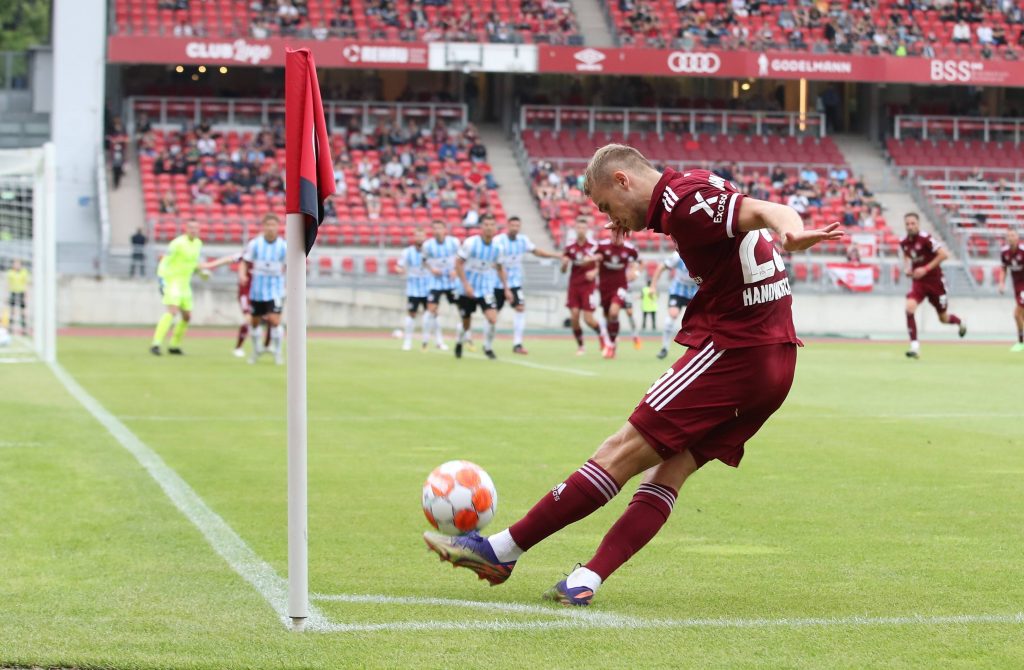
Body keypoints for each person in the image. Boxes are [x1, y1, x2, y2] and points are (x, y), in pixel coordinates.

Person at [423, 144, 842, 606]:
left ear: (623, 180)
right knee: (672, 470)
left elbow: (767, 209)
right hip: (778, 361)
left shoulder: (683, 204)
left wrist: (793, 232)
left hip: (735, 351)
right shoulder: (689, 188)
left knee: (619, 451)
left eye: (607, 205)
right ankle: (586, 579)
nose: (609, 217)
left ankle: (501, 551)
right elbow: (730, 215)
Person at [900, 212, 966, 359]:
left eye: (913, 223)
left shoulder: (926, 238)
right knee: (909, 308)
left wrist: (925, 269)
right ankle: (915, 347)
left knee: (943, 318)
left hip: (935, 282)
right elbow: (906, 254)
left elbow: (944, 254)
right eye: (907, 224)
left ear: (918, 224)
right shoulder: (904, 242)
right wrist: (907, 267)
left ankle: (960, 322)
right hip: (919, 282)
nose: (910, 226)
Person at [493, 215, 561, 355]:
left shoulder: (523, 240)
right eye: (512, 225)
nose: (515, 228)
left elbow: (537, 252)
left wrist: (556, 256)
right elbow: (496, 264)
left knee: (520, 308)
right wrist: (506, 289)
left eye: (517, 226)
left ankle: (517, 344)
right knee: (492, 315)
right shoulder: (498, 241)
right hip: (497, 283)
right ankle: (485, 342)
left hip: (514, 282)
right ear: (507, 225)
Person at [150, 220, 215, 355]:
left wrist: (201, 272)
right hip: (172, 281)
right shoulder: (177, 243)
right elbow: (165, 260)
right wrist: (162, 279)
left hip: (185, 284)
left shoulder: (198, 244)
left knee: (187, 316)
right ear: (185, 229)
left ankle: (174, 345)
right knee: (172, 311)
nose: (193, 230)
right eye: (191, 227)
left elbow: (192, 263)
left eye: (196, 228)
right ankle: (156, 344)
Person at [453, 215, 511, 360]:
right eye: (486, 224)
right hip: (467, 288)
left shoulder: (498, 247)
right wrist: (466, 285)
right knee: (466, 322)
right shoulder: (470, 243)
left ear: (495, 228)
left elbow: (499, 267)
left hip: (486, 288)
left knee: (492, 318)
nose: (489, 227)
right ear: (481, 227)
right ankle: (460, 342)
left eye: (492, 224)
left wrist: (506, 288)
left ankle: (488, 347)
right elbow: (458, 263)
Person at [241, 213, 287, 365]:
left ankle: (278, 353)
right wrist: (242, 275)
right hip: (257, 289)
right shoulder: (255, 244)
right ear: (264, 226)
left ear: (278, 227)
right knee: (254, 322)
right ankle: (256, 350)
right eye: (268, 225)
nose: (270, 228)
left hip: (275, 290)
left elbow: (289, 265)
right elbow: (245, 261)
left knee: (275, 321)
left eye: (273, 225)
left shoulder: (283, 246)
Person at [561, 219, 609, 355]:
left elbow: (601, 262)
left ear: (587, 230)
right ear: (575, 229)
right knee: (574, 318)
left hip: (588, 287)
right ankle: (581, 346)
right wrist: (564, 264)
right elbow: (563, 270)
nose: (580, 230)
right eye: (578, 227)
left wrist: (595, 272)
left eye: (583, 228)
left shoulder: (594, 246)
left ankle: (603, 338)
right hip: (574, 286)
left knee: (588, 319)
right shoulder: (570, 247)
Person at [595, 235, 640, 358]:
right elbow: (593, 259)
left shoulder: (629, 249)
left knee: (623, 312)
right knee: (608, 316)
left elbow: (637, 263)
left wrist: (635, 272)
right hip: (605, 288)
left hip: (623, 288)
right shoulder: (601, 246)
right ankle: (610, 341)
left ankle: (634, 335)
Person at [650, 251, 699, 359]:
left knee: (698, 320)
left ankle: (697, 348)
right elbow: (661, 268)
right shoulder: (677, 256)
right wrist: (653, 286)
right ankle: (664, 348)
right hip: (678, 290)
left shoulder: (701, 254)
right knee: (672, 314)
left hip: (695, 291)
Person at [422, 219, 461, 351]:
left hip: (451, 282)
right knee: (432, 310)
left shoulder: (454, 242)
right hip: (435, 282)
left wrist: (456, 270)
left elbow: (461, 258)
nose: (437, 231)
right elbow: (424, 261)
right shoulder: (427, 245)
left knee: (461, 309)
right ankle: (437, 340)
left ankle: (461, 338)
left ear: (445, 230)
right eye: (435, 228)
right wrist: (431, 269)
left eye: (439, 228)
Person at [397, 227, 432, 351]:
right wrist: (401, 270)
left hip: (428, 288)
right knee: (411, 314)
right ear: (414, 237)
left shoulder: (430, 251)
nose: (420, 238)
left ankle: (426, 341)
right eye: (417, 236)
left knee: (430, 314)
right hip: (413, 288)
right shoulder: (407, 252)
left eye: (422, 236)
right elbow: (399, 266)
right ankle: (407, 341)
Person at [998, 228, 1024, 352]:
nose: (1011, 238)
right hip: (1017, 286)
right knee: (1021, 315)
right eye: (1008, 236)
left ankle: (1021, 342)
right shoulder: (1004, 252)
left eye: (1013, 235)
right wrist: (1001, 283)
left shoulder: (1023, 251)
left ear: (1017, 237)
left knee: (1017, 314)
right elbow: (1004, 269)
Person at [6, 258, 28, 335]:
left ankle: (24, 329)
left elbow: (25, 283)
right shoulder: (10, 272)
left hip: (21, 292)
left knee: (23, 312)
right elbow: (8, 284)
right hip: (13, 292)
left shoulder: (24, 272)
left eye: (18, 263)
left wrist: (26, 294)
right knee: (12, 311)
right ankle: (10, 328)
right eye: (15, 263)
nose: (16, 265)